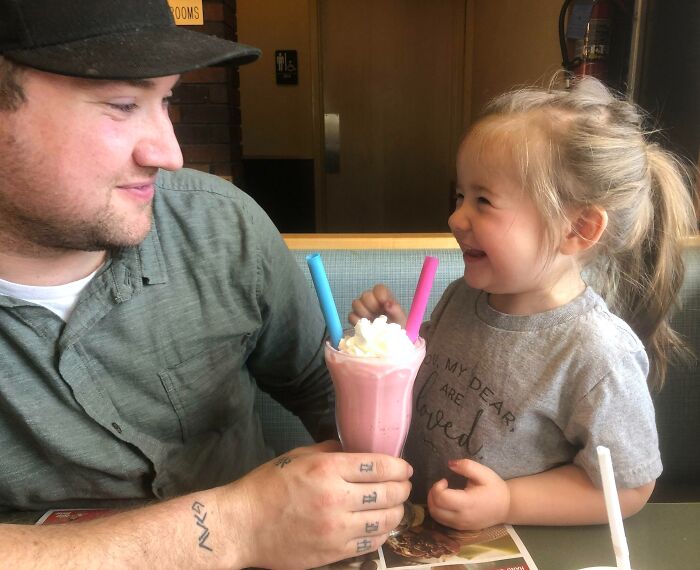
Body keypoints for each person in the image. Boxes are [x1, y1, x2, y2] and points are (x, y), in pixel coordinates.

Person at [0, 1, 411, 568]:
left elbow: (322, 392)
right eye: (122, 105)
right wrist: (235, 527)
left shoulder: (219, 225)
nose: (169, 154)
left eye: (165, 101)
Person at [350, 75, 697, 530]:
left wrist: (508, 503)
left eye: (484, 200)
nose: (456, 216)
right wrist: (396, 336)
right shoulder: (464, 295)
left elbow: (630, 487)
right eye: (460, 195)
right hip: (414, 527)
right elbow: (437, 369)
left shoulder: (596, 353)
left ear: (578, 229)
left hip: (508, 545)